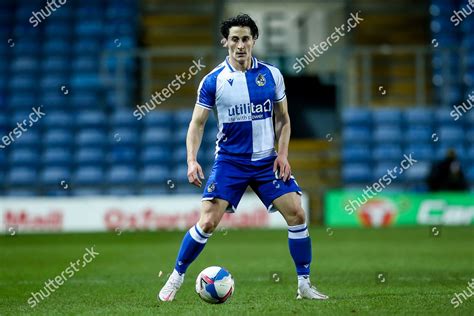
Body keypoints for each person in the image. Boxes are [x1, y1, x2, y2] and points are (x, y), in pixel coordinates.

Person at [158, 14, 328, 301]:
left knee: (298, 213)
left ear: (254, 40)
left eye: (245, 39)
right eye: (234, 39)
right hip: (230, 162)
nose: (240, 45)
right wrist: (191, 159)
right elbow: (196, 124)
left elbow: (284, 119)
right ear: (225, 41)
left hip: (265, 161)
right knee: (209, 221)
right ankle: (176, 277)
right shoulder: (214, 81)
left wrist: (283, 154)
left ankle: (304, 284)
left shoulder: (272, 75)